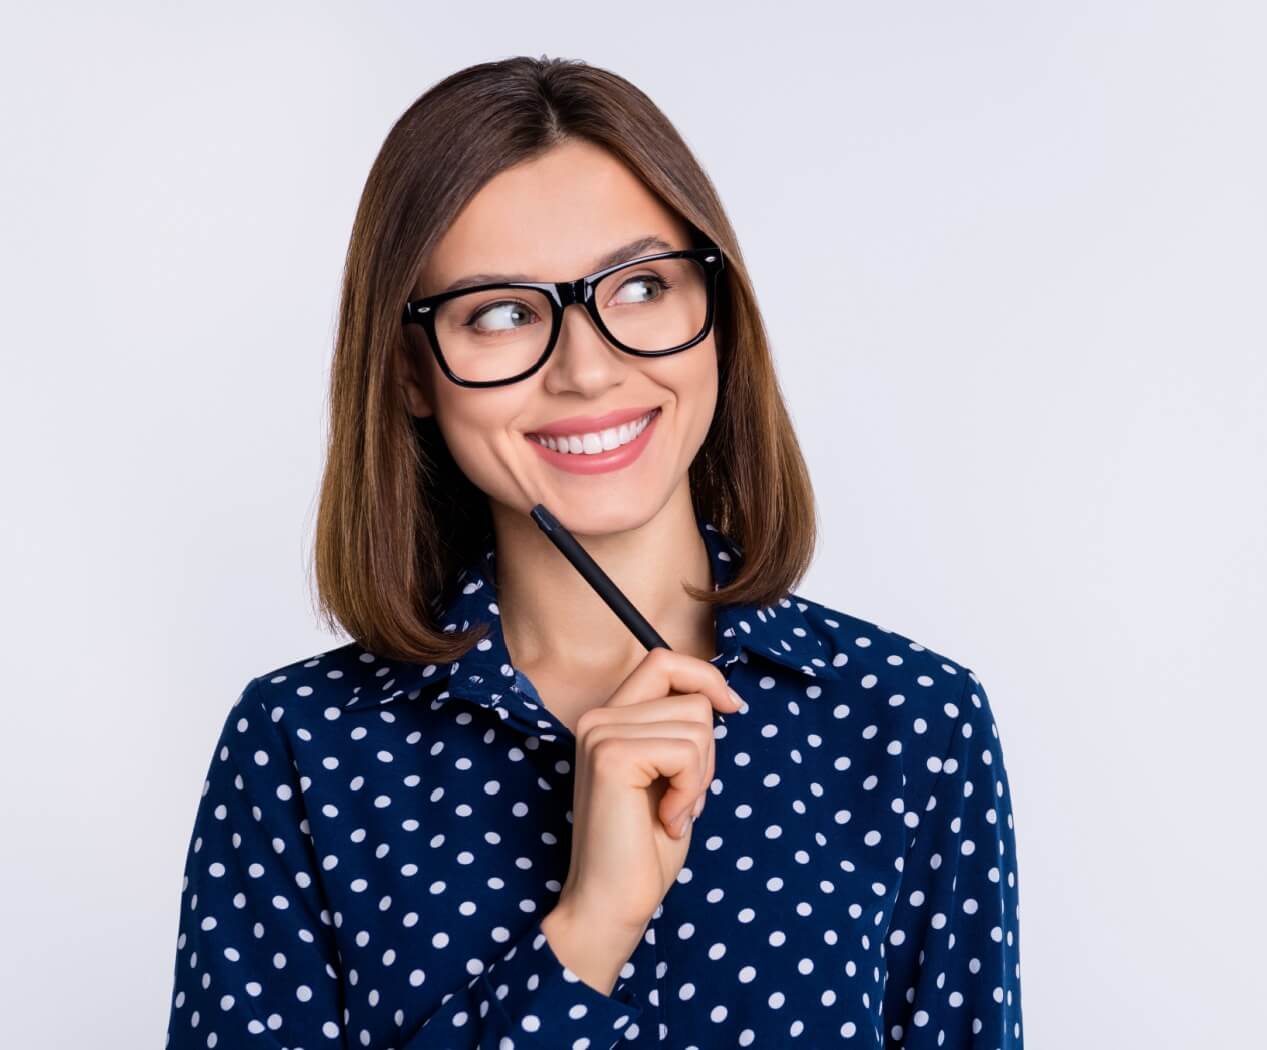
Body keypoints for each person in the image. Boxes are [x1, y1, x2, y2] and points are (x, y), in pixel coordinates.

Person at [164, 55, 1025, 1049]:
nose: (586, 366)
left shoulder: (913, 724)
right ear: (410, 371)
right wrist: (588, 930)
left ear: (717, 315)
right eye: (500, 313)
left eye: (641, 287)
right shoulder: (298, 752)